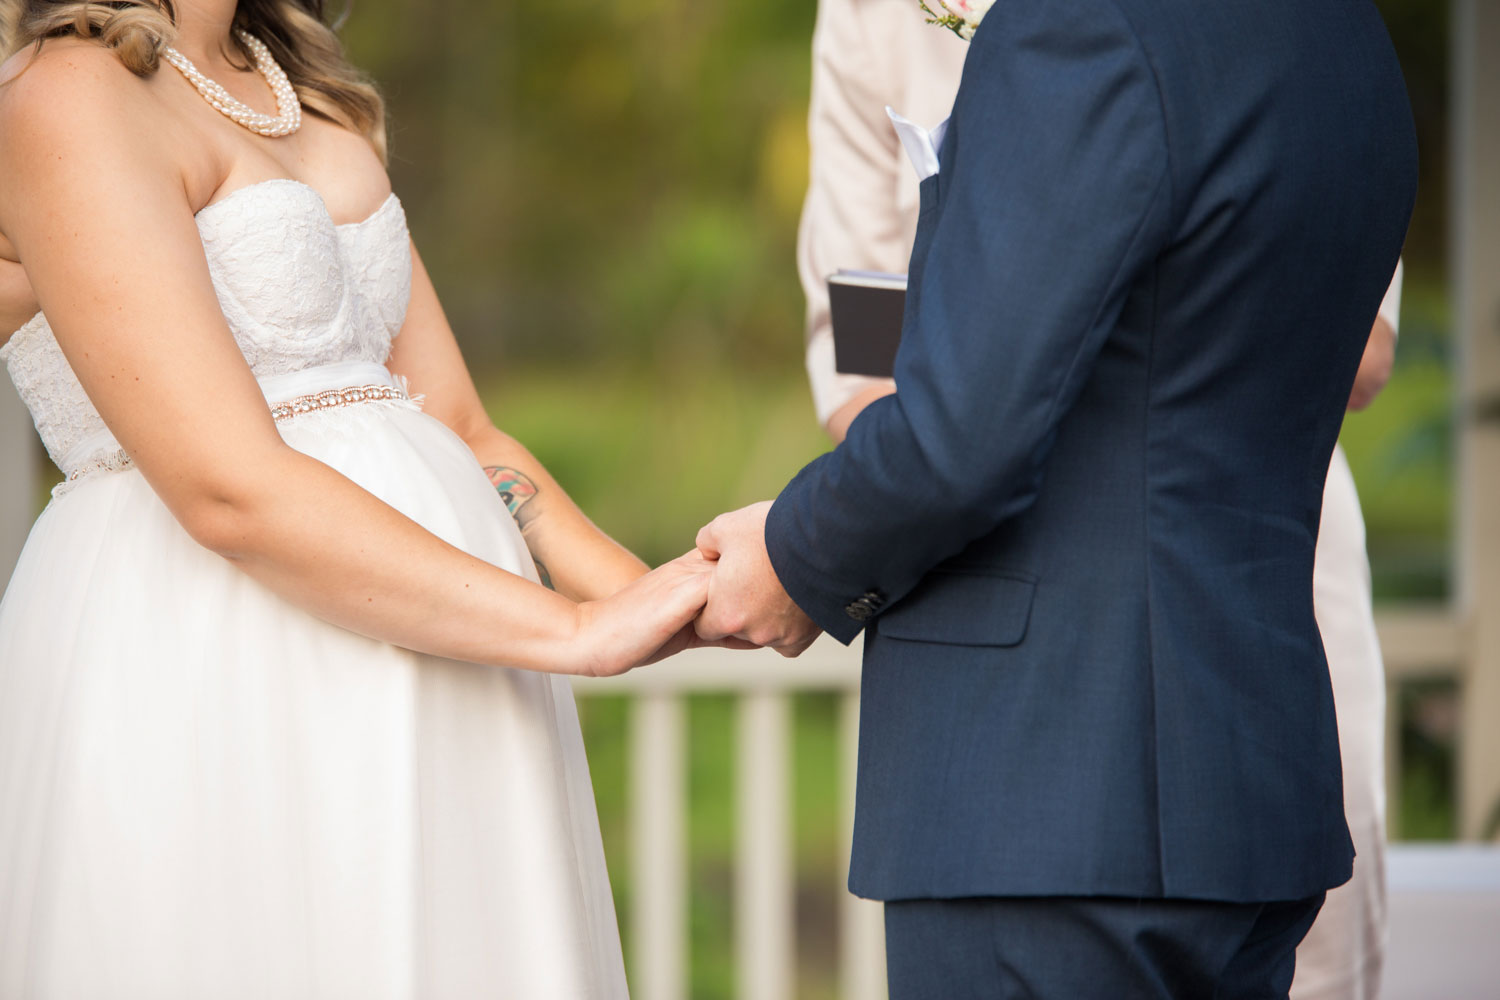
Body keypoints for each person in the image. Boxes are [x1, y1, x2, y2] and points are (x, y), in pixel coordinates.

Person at [0, 1, 728, 995]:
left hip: (450, 654)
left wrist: (674, 600)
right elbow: (225, 486)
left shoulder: (306, 92)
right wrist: (570, 627)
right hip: (218, 649)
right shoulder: (67, 92)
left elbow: (468, 433)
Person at [696, 1, 1417, 997]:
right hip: (1247, 770)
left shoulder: (1078, 30)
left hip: (1053, 786)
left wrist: (799, 553)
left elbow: (963, 437)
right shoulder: (1339, 32)